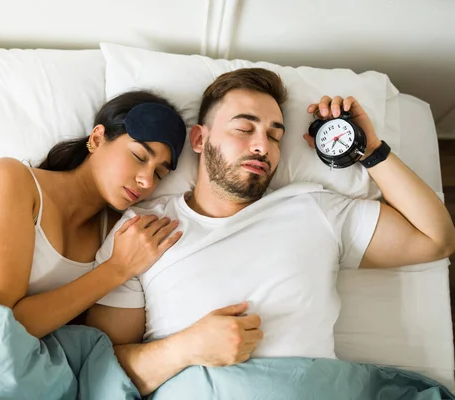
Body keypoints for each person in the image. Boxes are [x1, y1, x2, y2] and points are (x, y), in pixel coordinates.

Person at [86, 68, 455, 396]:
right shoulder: (143, 230)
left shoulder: (314, 208)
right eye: (244, 129)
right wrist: (185, 348)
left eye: (275, 136)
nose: (262, 146)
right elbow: (104, 372)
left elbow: (435, 238)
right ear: (199, 140)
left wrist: (368, 148)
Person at [0, 90, 186, 338]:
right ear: (96, 139)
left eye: (160, 173)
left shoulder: (119, 233)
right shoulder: (10, 181)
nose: (147, 181)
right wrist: (116, 269)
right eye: (139, 157)